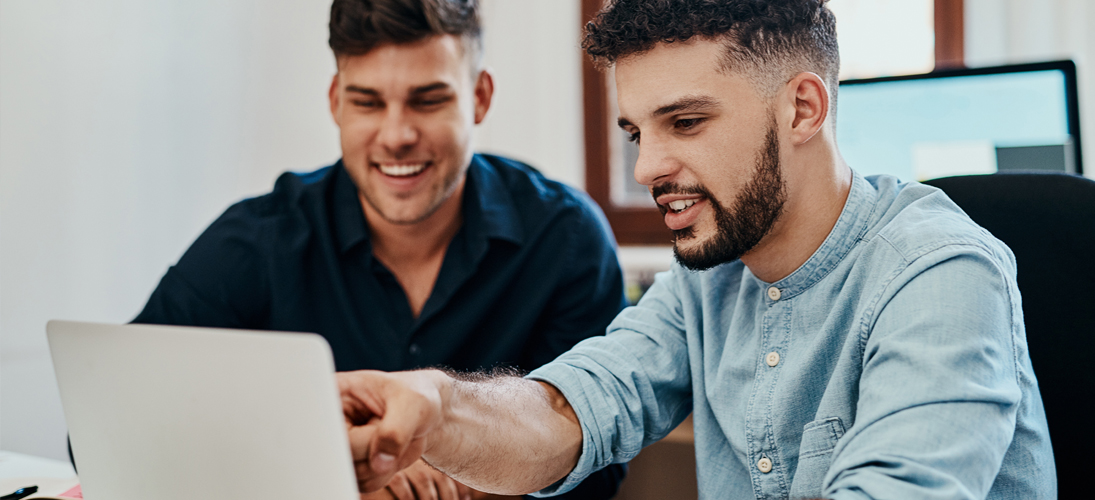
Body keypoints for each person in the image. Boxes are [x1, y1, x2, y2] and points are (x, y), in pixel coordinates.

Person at [336, 0, 1058, 499]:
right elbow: (572, 411)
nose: (647, 167)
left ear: (803, 107)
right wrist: (434, 406)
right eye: (635, 132)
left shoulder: (938, 274)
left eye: (684, 122)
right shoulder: (708, 277)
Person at [131, 0, 628, 498]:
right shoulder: (256, 239)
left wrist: (459, 471)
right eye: (368, 102)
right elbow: (115, 422)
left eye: (428, 100)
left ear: (479, 97)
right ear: (336, 102)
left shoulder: (566, 237)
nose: (396, 136)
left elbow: (600, 460)